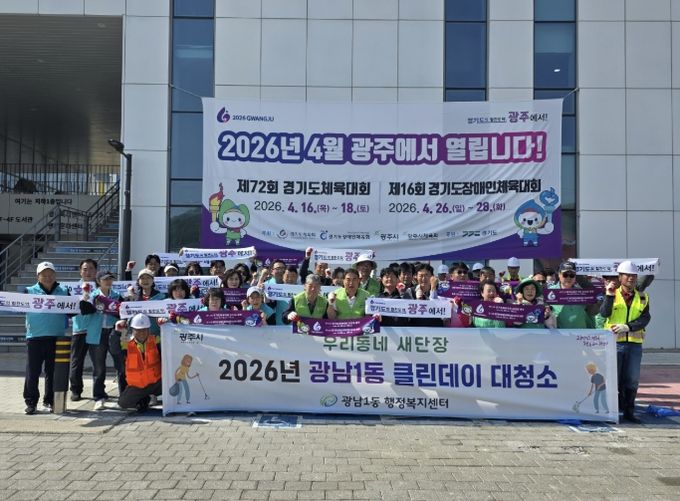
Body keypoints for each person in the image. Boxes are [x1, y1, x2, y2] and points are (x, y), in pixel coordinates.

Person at [601, 260, 651, 424]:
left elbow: (645, 318)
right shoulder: (612, 293)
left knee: (632, 379)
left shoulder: (643, 297)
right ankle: (611, 411)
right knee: (613, 378)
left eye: (633, 275)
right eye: (627, 275)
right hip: (614, 344)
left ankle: (629, 412)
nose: (631, 278)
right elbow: (604, 313)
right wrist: (609, 295)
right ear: (620, 277)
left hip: (635, 344)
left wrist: (628, 327)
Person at [23, 262, 71, 414]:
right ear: (38, 276)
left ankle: (49, 401)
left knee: (52, 372)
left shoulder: (64, 291)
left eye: (50, 274)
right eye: (44, 274)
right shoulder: (28, 291)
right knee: (32, 372)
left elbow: (72, 311)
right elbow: (16, 306)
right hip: (35, 337)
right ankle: (31, 403)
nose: (47, 277)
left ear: (55, 275)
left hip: (56, 338)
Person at [88, 270, 121, 410]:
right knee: (99, 367)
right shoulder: (92, 296)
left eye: (110, 279)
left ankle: (124, 395)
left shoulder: (117, 295)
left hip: (114, 332)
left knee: (120, 364)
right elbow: (85, 311)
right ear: (98, 281)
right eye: (105, 279)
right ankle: (99, 396)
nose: (108, 281)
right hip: (97, 333)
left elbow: (122, 313)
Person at [117, 313, 162, 412]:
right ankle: (144, 399)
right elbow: (114, 348)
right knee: (123, 403)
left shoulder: (156, 340)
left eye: (144, 329)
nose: (141, 333)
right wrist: (117, 331)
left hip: (157, 383)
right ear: (133, 330)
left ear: (149, 330)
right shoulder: (127, 344)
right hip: (137, 386)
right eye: (138, 330)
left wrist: (165, 325)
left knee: (174, 387)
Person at [69, 258, 98, 402]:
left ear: (96, 271)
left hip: (96, 329)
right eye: (85, 269)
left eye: (91, 269)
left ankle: (98, 391)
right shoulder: (72, 289)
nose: (88, 272)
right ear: (80, 272)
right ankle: (75, 390)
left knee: (98, 363)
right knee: (76, 362)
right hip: (79, 329)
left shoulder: (101, 287)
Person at [548, 261, 597, 329]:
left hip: (580, 334)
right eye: (565, 274)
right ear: (559, 274)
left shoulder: (583, 293)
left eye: (572, 275)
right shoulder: (549, 291)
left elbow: (593, 312)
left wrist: (595, 301)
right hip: (559, 333)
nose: (568, 278)